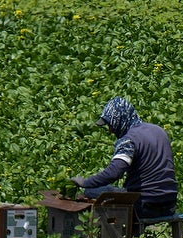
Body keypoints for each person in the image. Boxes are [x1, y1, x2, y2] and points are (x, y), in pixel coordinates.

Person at [75, 96, 177, 226]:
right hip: (169, 203)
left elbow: (114, 173)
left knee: (91, 191)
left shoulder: (129, 140)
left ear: (120, 119)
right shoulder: (159, 131)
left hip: (144, 206)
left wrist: (85, 182)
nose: (111, 130)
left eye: (111, 125)